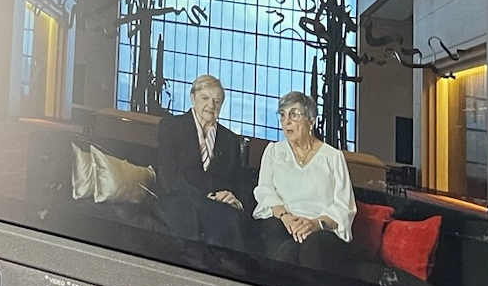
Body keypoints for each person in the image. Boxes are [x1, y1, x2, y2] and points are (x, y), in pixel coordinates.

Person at [252, 91, 356, 272]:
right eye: (282, 115)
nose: (286, 121)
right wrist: (286, 218)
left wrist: (314, 224)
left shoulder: (333, 157)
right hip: (282, 222)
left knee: (313, 246)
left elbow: (343, 206)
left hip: (320, 229)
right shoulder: (274, 152)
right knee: (277, 237)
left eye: (293, 114)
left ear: (311, 121)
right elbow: (265, 191)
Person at [153, 75, 253, 252]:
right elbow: (167, 175)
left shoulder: (230, 140)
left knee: (228, 219)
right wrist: (202, 196)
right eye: (205, 98)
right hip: (180, 198)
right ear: (193, 98)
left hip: (219, 206)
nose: (211, 106)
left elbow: (239, 181)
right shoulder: (172, 126)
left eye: (217, 101)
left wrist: (235, 199)